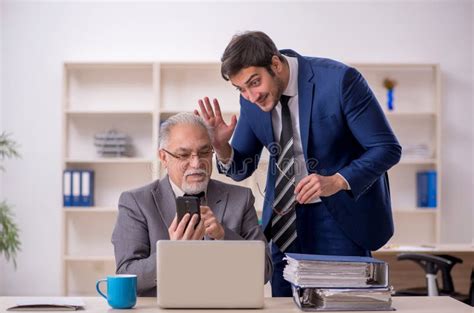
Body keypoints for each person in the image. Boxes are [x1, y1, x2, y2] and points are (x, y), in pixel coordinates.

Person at [196, 31, 401, 297]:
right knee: (284, 303)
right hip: (284, 219)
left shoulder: (340, 81)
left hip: (340, 216)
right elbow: (241, 168)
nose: (251, 96)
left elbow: (387, 148)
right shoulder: (251, 100)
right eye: (241, 89)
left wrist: (337, 180)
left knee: (343, 304)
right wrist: (221, 146)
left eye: (254, 83)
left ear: (276, 64)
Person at [112, 112, 273, 297]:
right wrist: (173, 254)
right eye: (183, 155)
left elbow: (265, 272)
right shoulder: (136, 202)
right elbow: (126, 274)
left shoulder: (241, 198)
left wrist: (224, 236)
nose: (196, 163)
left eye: (204, 152)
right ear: (164, 158)